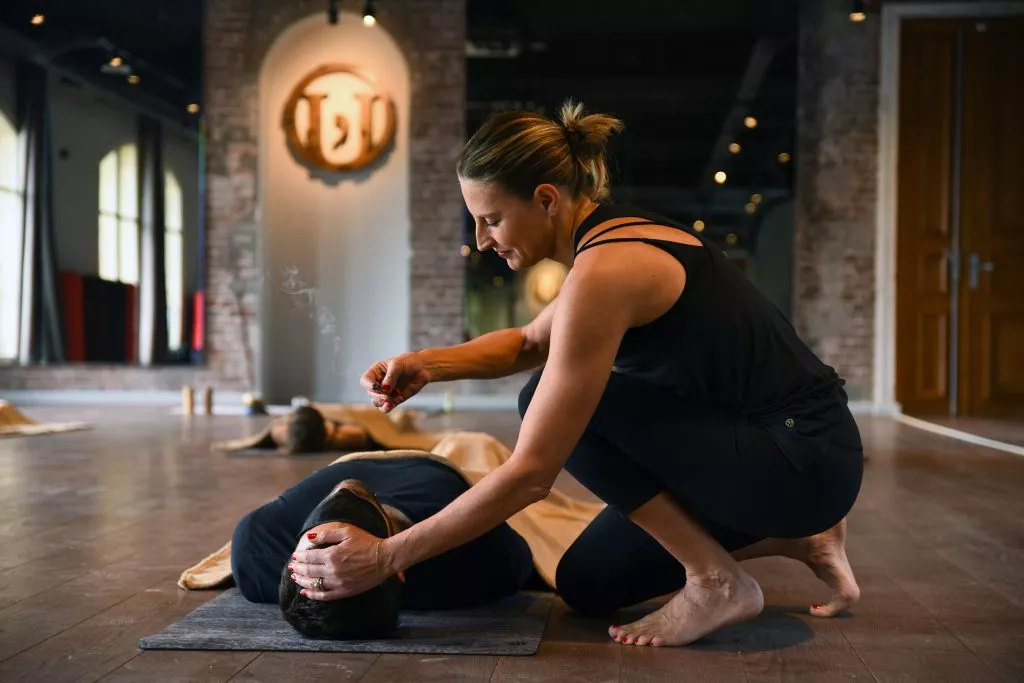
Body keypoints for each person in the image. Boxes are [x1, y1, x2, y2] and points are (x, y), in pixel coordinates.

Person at [289, 101, 865, 647]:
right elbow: (527, 342)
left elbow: (532, 473)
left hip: (801, 458)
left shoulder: (607, 271)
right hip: (777, 456)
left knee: (553, 402)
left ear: (544, 199)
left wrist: (387, 558)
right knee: (588, 585)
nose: (482, 240)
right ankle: (802, 537)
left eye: (491, 219)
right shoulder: (608, 240)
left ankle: (717, 579)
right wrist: (424, 366)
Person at [231, 455, 537, 635]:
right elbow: (523, 487)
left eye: (317, 540)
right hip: (443, 463)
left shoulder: (257, 549)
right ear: (399, 572)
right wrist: (386, 556)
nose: (340, 495)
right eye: (341, 538)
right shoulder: (481, 561)